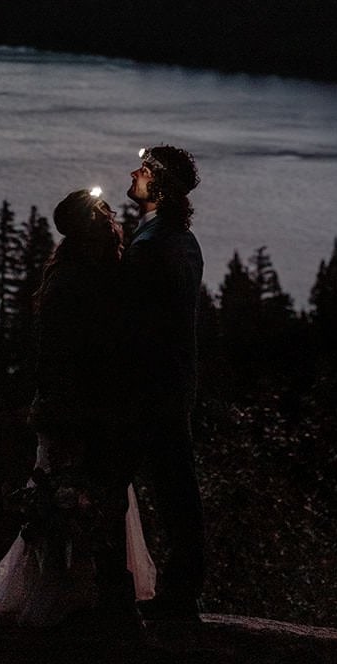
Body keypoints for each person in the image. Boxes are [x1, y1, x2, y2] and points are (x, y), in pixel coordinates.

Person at [0, 188, 155, 629]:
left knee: (90, 498)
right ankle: (71, 595)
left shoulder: (90, 272)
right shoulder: (80, 277)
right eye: (104, 214)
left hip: (92, 406)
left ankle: (91, 594)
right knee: (73, 499)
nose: (111, 219)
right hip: (78, 409)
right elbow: (59, 353)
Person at [123, 144, 205, 624]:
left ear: (160, 185)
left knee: (165, 487)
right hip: (170, 381)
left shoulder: (155, 244)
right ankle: (179, 591)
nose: (134, 172)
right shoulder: (176, 236)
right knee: (174, 485)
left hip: (152, 385)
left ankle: (170, 594)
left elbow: (140, 322)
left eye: (145, 169)